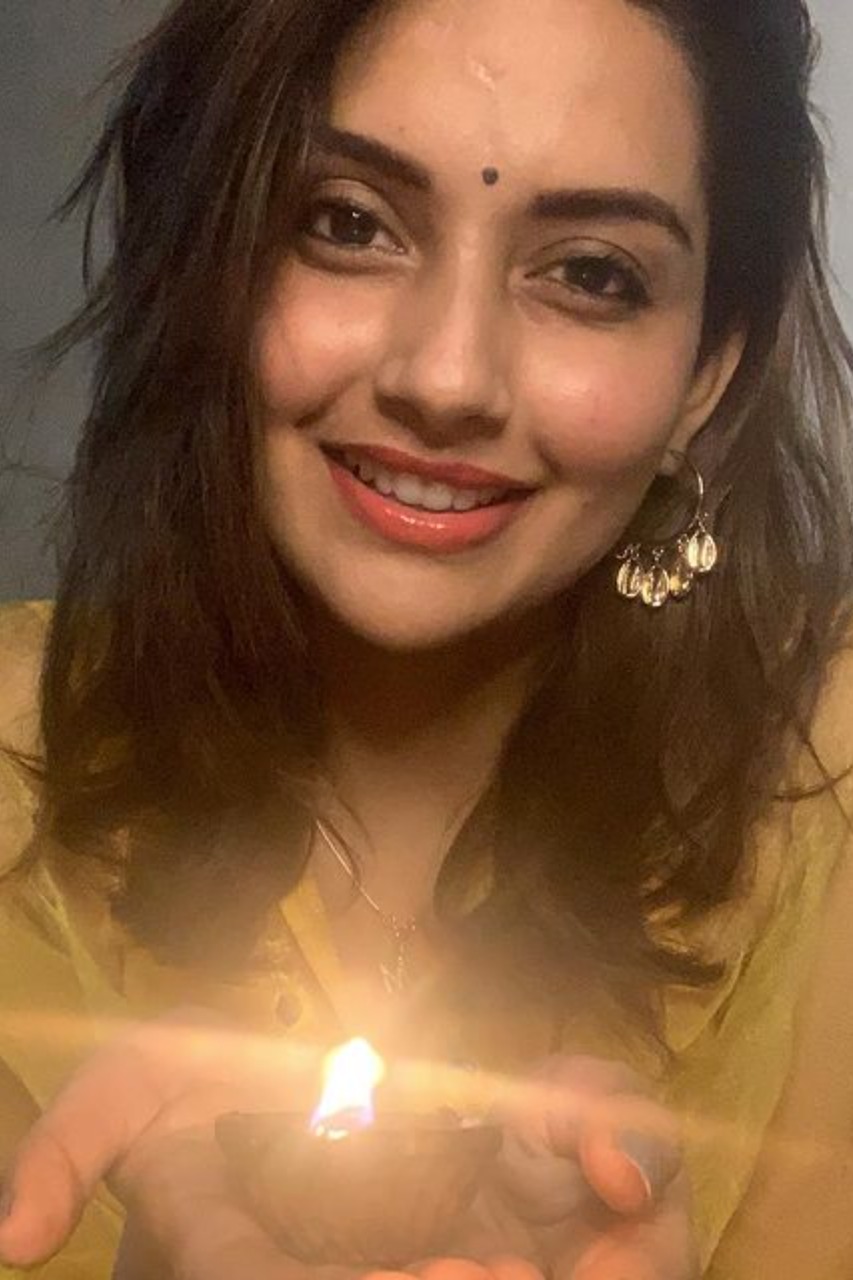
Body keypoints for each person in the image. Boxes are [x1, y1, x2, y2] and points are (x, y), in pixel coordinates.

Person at [1, 0, 852, 1275]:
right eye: (349, 223)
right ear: (210, 268)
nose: (446, 377)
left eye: (591, 273)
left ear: (705, 376)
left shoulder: (831, 781)